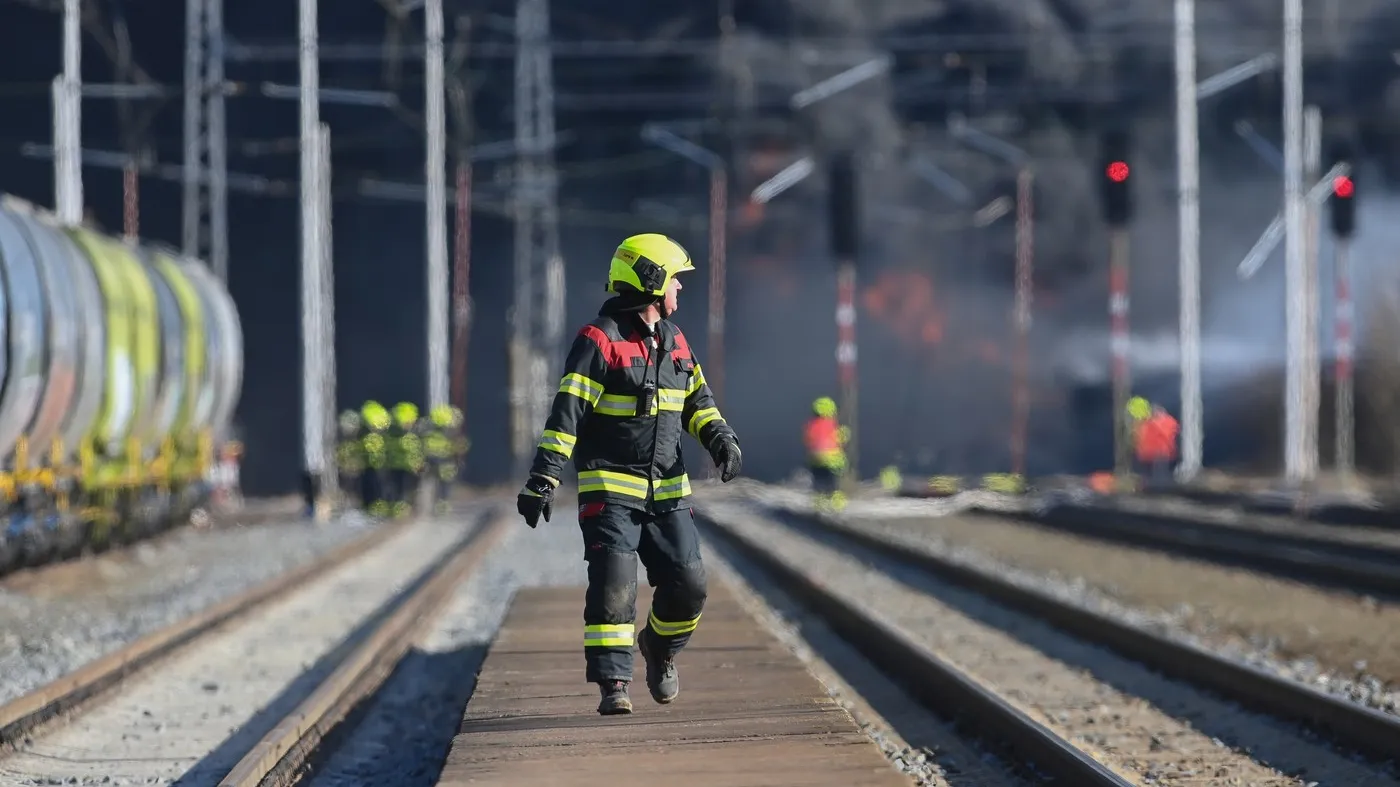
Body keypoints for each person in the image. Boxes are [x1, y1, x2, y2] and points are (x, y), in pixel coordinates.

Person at [515, 233, 743, 716]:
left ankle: (660, 649)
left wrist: (721, 439)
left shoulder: (676, 342)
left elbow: (698, 402)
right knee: (614, 587)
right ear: (653, 280)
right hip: (610, 492)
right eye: (676, 280)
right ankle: (613, 684)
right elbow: (566, 416)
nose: (681, 290)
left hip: (668, 492)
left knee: (690, 584)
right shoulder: (599, 340)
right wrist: (543, 479)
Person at [804, 397, 848, 512]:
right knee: (833, 481)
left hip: (815, 459)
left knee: (819, 480)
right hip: (833, 460)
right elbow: (840, 438)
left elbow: (808, 440)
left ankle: (819, 502)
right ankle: (837, 502)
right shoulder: (832, 424)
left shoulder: (811, 425)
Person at [1134, 404, 1180, 486]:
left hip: (1161, 452)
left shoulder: (1167, 422)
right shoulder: (1146, 423)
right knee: (1150, 474)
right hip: (1149, 453)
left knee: (1160, 472)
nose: (1155, 413)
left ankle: (1159, 488)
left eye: (1157, 412)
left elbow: (1170, 434)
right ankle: (1152, 488)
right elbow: (1140, 437)